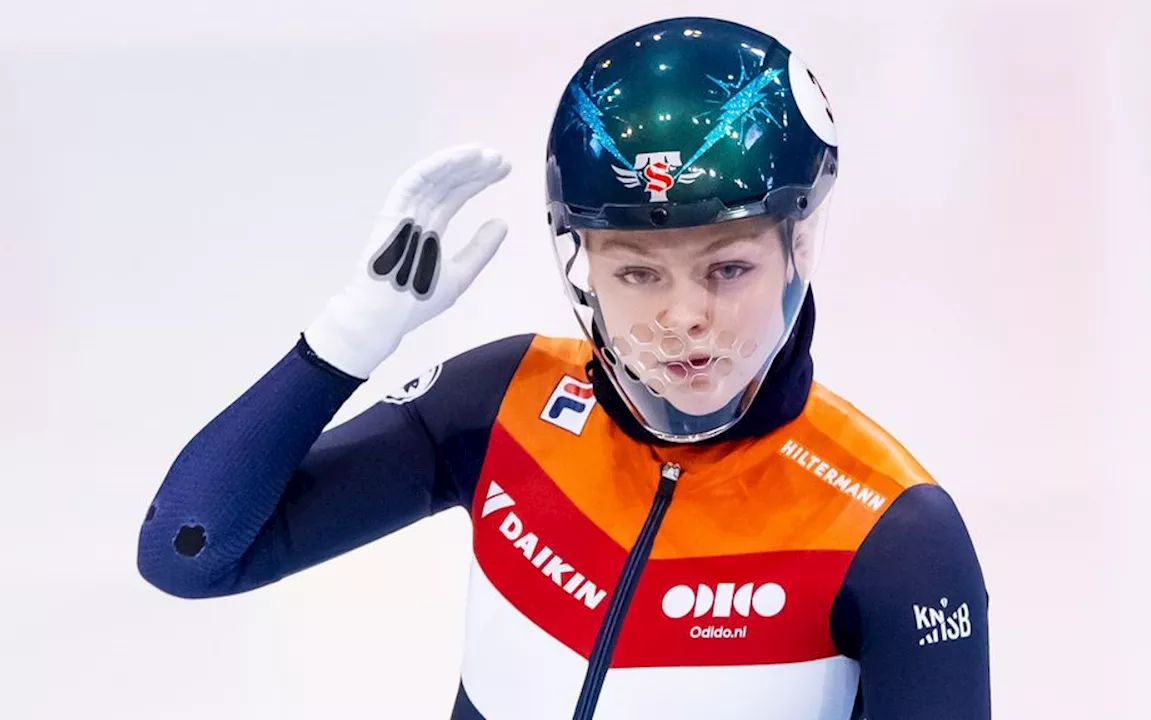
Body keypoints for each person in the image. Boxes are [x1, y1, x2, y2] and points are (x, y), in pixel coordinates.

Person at [136, 16, 991, 720]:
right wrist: (347, 340)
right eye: (636, 273)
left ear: (799, 245)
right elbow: (191, 553)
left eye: (727, 269)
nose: (683, 316)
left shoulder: (892, 536)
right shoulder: (504, 403)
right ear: (580, 261)